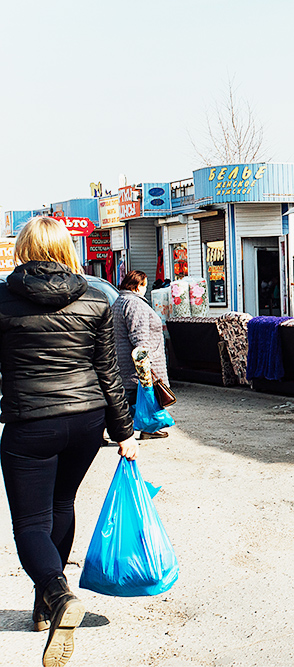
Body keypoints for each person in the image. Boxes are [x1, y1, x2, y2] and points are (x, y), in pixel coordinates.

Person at [0, 216, 137, 667]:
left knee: (30, 523)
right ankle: (45, 607)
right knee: (62, 504)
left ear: (23, 249)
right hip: (85, 421)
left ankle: (58, 596)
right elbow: (109, 373)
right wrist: (125, 432)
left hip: (30, 423)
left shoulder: (2, 299)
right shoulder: (96, 299)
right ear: (66, 249)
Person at [111, 270, 170, 440]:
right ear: (138, 286)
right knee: (139, 397)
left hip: (121, 360)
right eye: (144, 284)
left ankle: (149, 428)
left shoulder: (119, 301)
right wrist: (144, 364)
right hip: (136, 364)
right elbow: (139, 336)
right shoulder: (135, 304)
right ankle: (145, 428)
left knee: (131, 398)